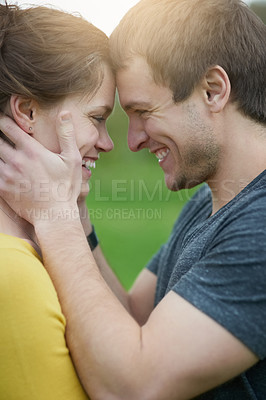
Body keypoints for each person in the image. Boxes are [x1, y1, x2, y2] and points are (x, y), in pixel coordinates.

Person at [0, 0, 265, 398]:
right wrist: (76, 214)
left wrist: (56, 220)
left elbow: (132, 387)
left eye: (143, 111)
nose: (132, 140)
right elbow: (133, 321)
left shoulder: (259, 225)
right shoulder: (211, 204)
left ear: (213, 90)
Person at [0, 2, 115, 399]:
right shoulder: (13, 273)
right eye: (97, 118)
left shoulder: (33, 256)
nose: (108, 142)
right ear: (27, 111)